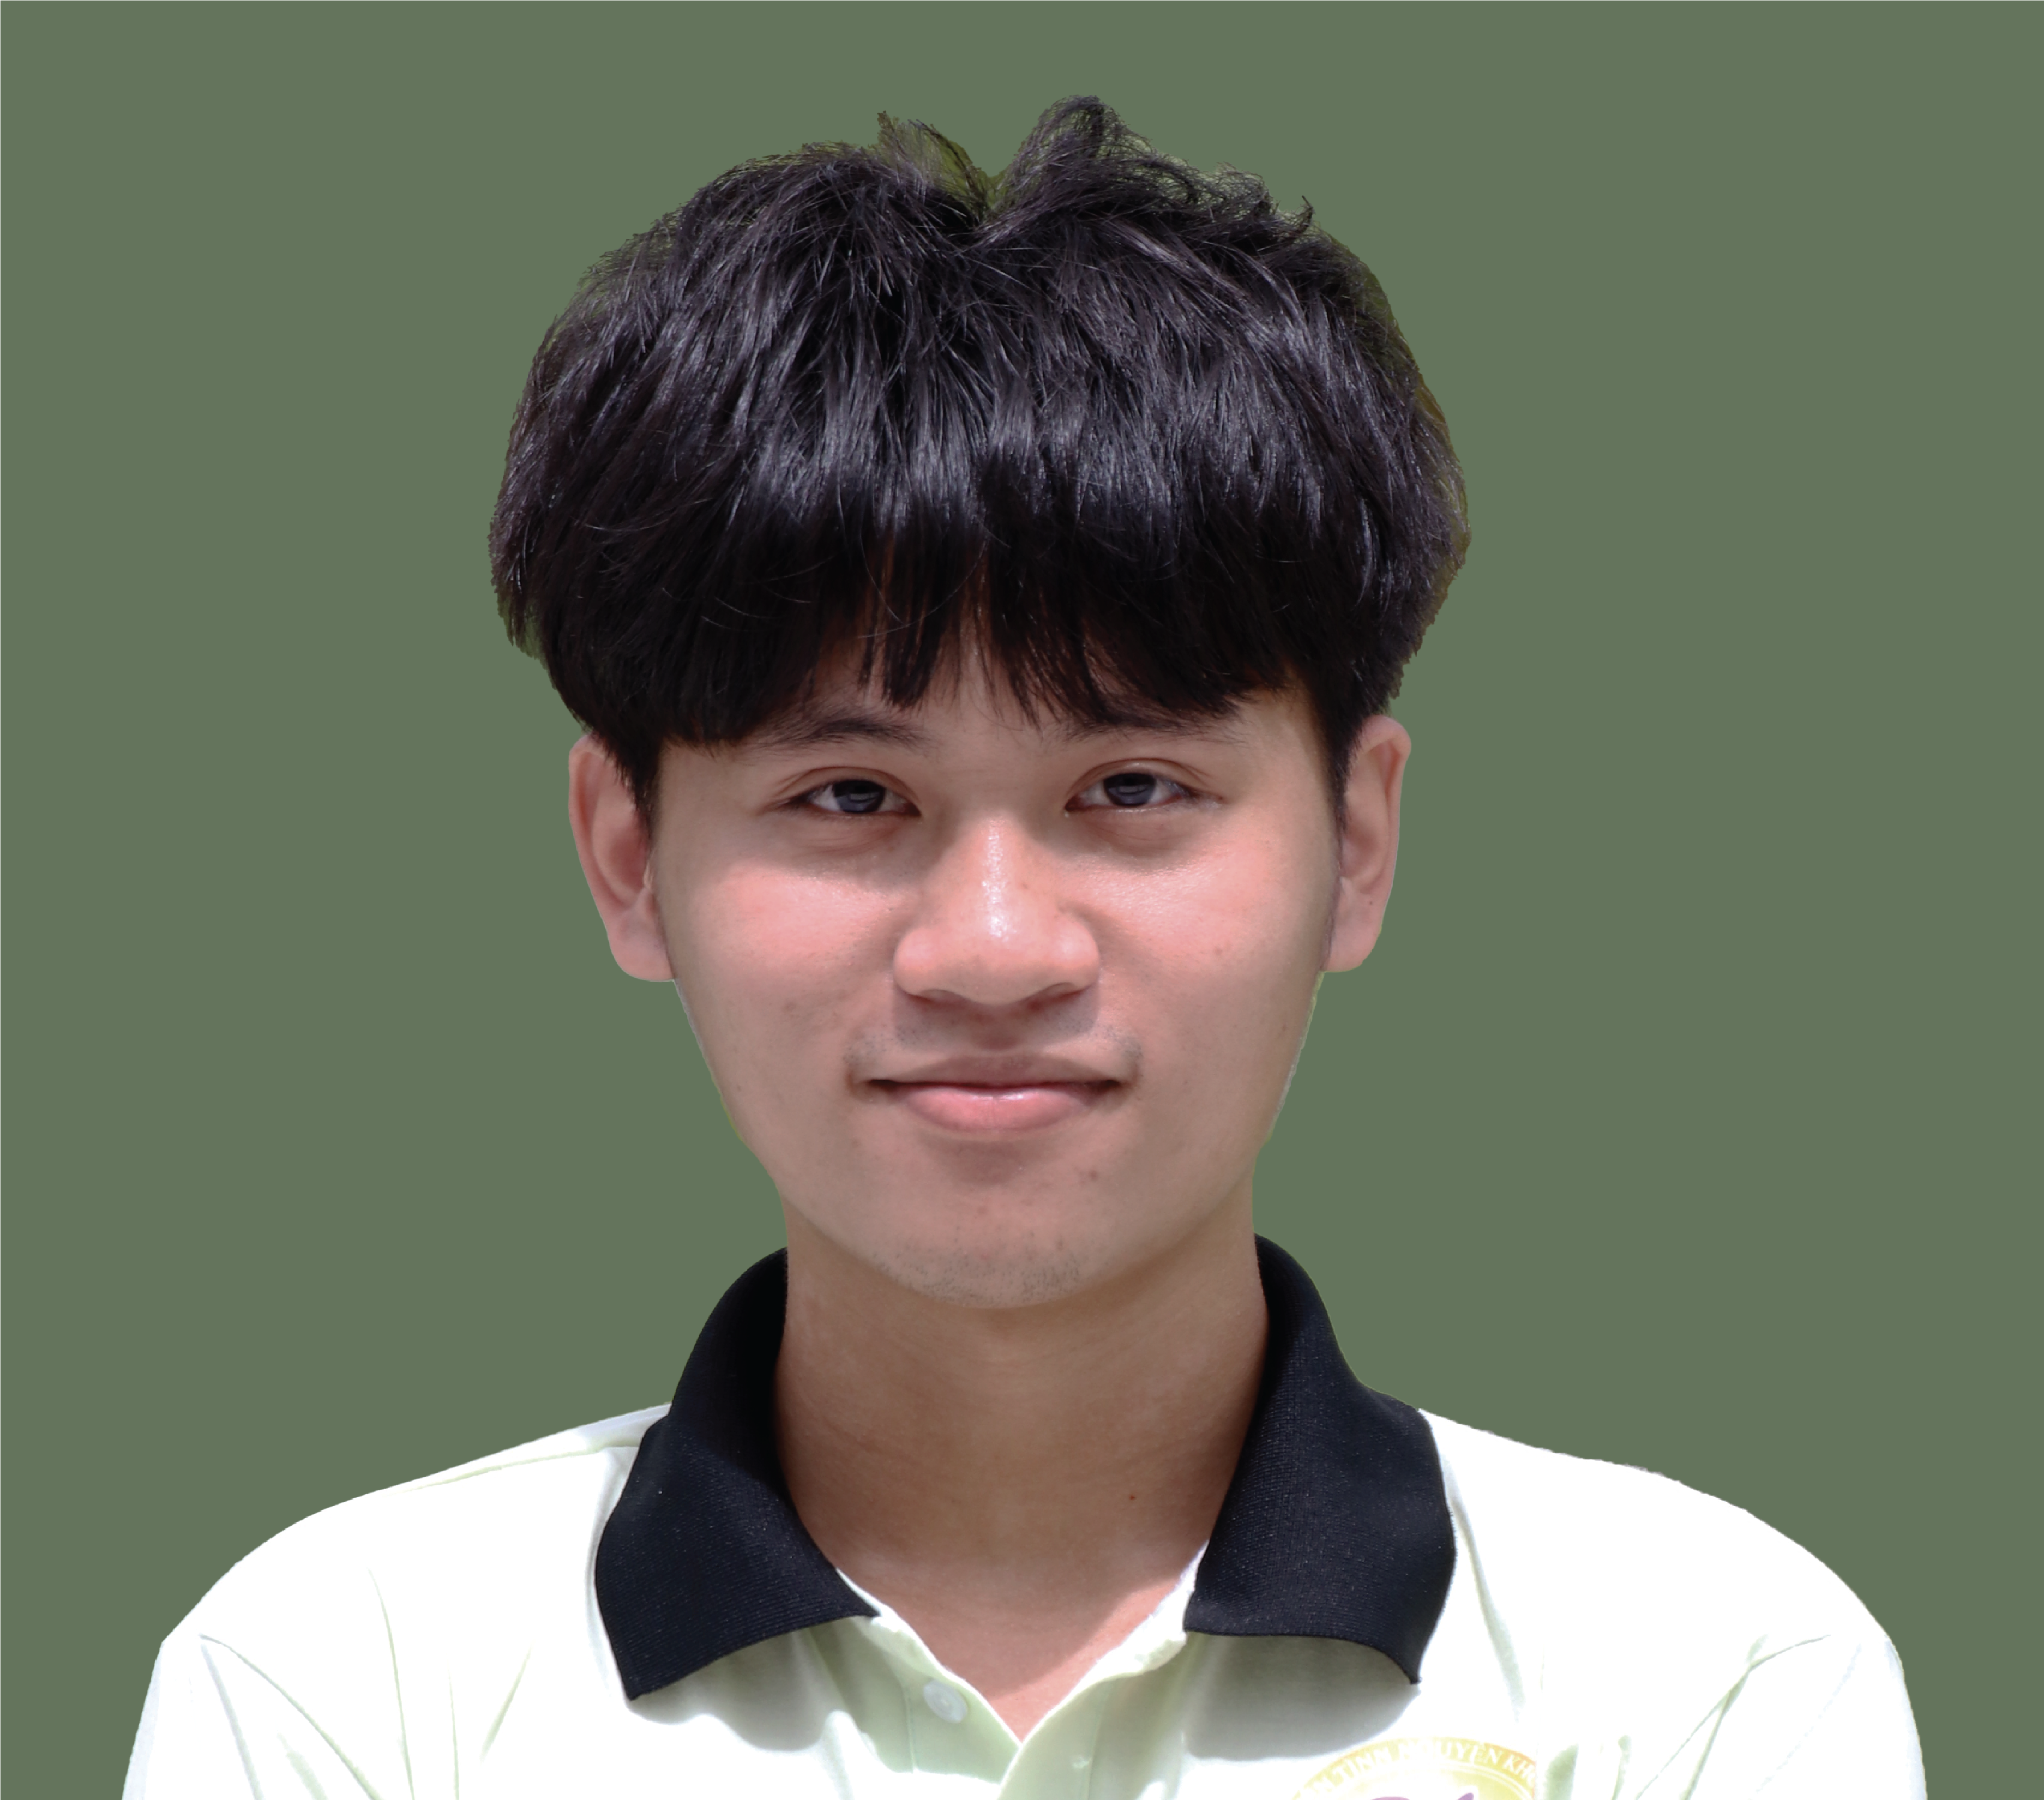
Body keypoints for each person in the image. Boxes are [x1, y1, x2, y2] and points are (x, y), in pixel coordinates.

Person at [123, 99, 1925, 1799]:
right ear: (628, 855)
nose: (991, 949)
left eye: (1129, 786)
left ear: (1357, 841)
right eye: (848, 795)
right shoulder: (350, 1689)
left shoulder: (1701, 1680)